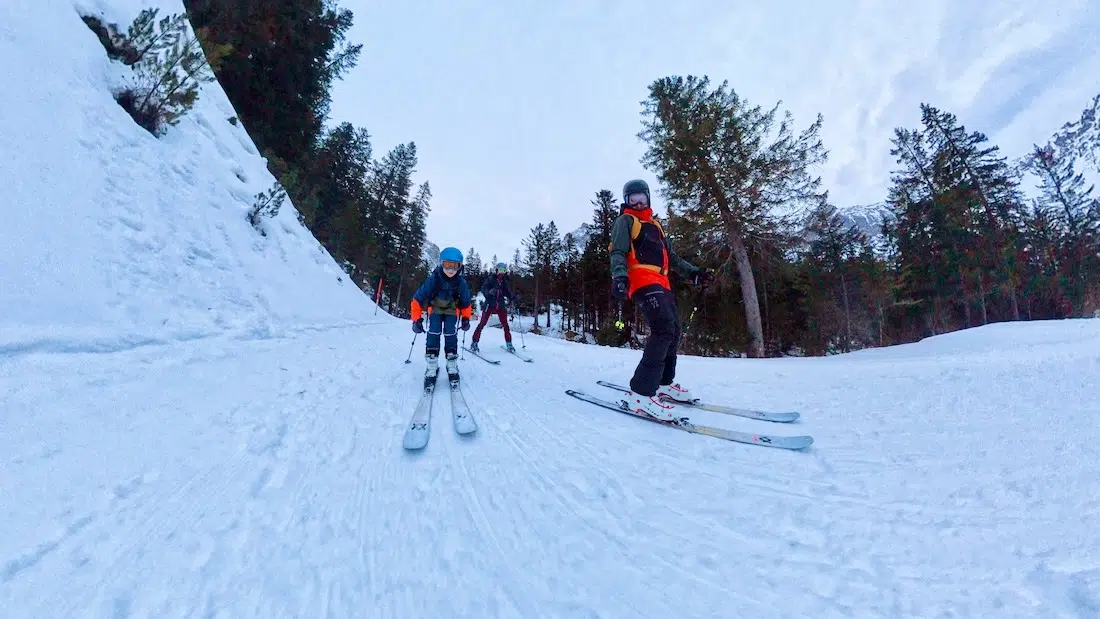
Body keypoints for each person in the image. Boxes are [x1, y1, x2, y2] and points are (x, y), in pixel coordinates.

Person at [609, 179, 712, 420]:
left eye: (640, 198)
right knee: (663, 330)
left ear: (648, 198)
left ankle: (664, 384)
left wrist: (694, 273)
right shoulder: (626, 221)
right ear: (626, 202)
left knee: (673, 331)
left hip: (661, 282)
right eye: (631, 199)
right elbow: (618, 251)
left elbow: (672, 257)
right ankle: (641, 394)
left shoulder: (655, 225)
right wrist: (620, 276)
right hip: (641, 280)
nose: (636, 202)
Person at [410, 247, 473, 383]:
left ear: (459, 267)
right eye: (447, 265)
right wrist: (416, 320)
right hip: (436, 310)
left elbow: (466, 302)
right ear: (441, 264)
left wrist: (466, 318)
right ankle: (432, 365)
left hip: (451, 310)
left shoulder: (460, 283)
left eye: (454, 266)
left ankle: (451, 365)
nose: (450, 270)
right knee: (434, 332)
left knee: (450, 333)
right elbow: (417, 298)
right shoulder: (434, 279)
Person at [470, 262, 516, 353]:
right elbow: (483, 289)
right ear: (496, 270)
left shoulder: (504, 282)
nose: (502, 272)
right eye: (500, 270)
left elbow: (508, 292)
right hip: (490, 304)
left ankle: (509, 343)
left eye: (504, 270)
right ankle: (474, 342)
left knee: (505, 325)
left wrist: (513, 297)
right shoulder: (491, 279)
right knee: (482, 324)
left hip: (500, 305)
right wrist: (489, 292)